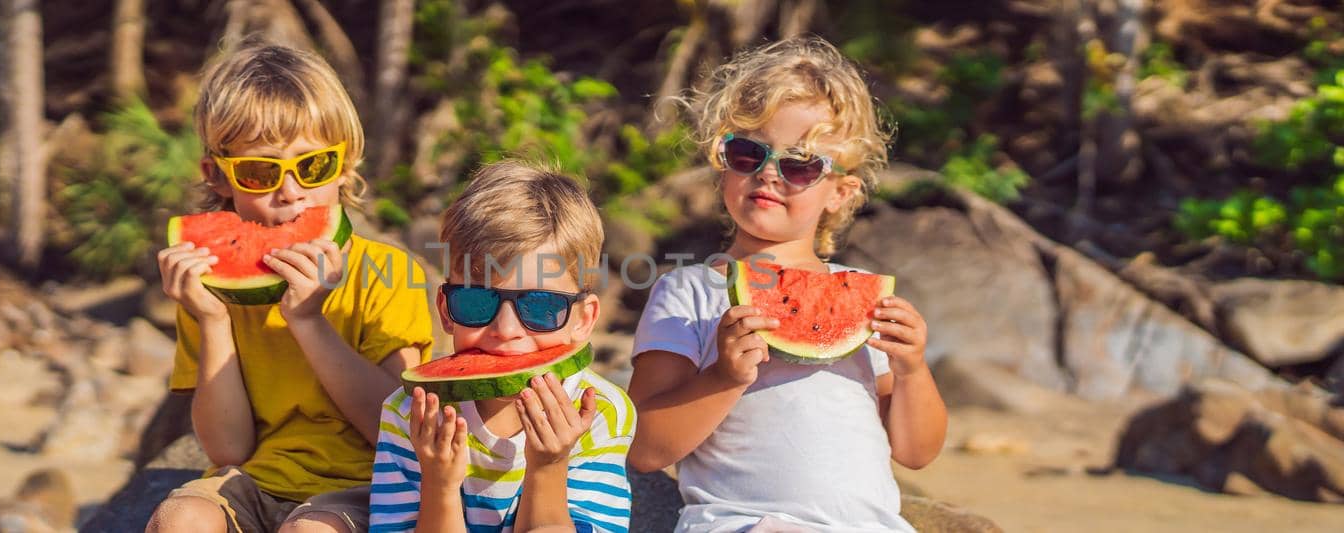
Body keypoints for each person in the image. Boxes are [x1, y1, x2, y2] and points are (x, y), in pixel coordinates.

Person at [626, 36, 948, 532]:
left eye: (800, 165)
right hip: (745, 524)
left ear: (841, 192)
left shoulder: (864, 296)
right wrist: (724, 377)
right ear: (723, 163)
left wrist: (912, 370)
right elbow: (646, 448)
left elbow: (916, 452)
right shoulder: (688, 292)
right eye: (747, 153)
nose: (768, 174)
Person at [147, 44, 434, 533]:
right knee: (181, 519)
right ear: (217, 176)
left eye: (313, 166)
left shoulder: (387, 272)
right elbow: (228, 449)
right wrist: (213, 320)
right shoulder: (210, 288)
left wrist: (308, 322)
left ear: (346, 164)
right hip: (255, 482)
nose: (291, 191)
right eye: (259, 172)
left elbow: (396, 434)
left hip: (367, 487)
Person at [369, 160, 634, 532]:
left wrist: (549, 466)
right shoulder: (409, 414)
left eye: (541, 306)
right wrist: (440, 486)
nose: (506, 330)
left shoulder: (600, 413)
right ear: (446, 311)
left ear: (584, 320)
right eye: (477, 302)